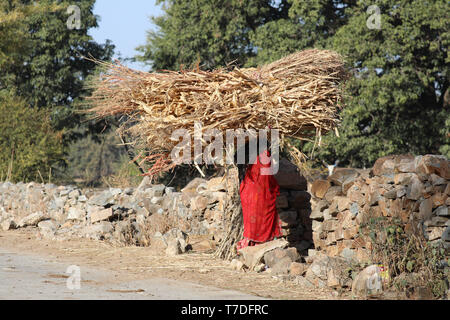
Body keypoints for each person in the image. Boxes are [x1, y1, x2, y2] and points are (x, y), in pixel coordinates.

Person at [235, 141, 282, 250]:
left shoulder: (250, 156)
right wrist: (275, 188)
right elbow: (267, 177)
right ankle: (260, 245)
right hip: (259, 194)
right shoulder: (263, 155)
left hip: (248, 193)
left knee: (252, 220)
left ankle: (251, 244)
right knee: (261, 218)